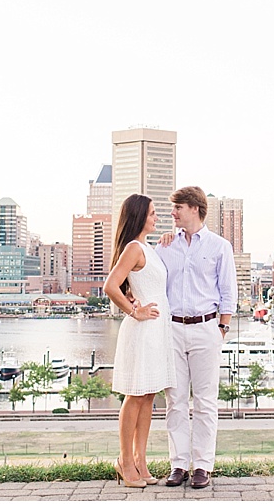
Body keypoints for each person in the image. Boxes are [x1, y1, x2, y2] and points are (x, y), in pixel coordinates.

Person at [156, 186, 237, 489]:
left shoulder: (219, 246)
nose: (172, 213)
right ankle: (178, 464)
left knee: (205, 402)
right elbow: (153, 283)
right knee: (174, 402)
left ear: (194, 208)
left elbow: (228, 291)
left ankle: (202, 465)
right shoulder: (163, 246)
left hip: (207, 329)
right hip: (172, 329)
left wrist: (222, 329)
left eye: (177, 207)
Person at [103, 194, 175, 489]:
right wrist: (135, 310)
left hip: (157, 332)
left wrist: (169, 239)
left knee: (148, 395)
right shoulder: (133, 248)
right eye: (153, 213)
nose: (157, 218)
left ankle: (140, 460)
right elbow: (110, 285)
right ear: (139, 216)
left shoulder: (147, 248)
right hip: (142, 331)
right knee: (135, 395)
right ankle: (124, 461)